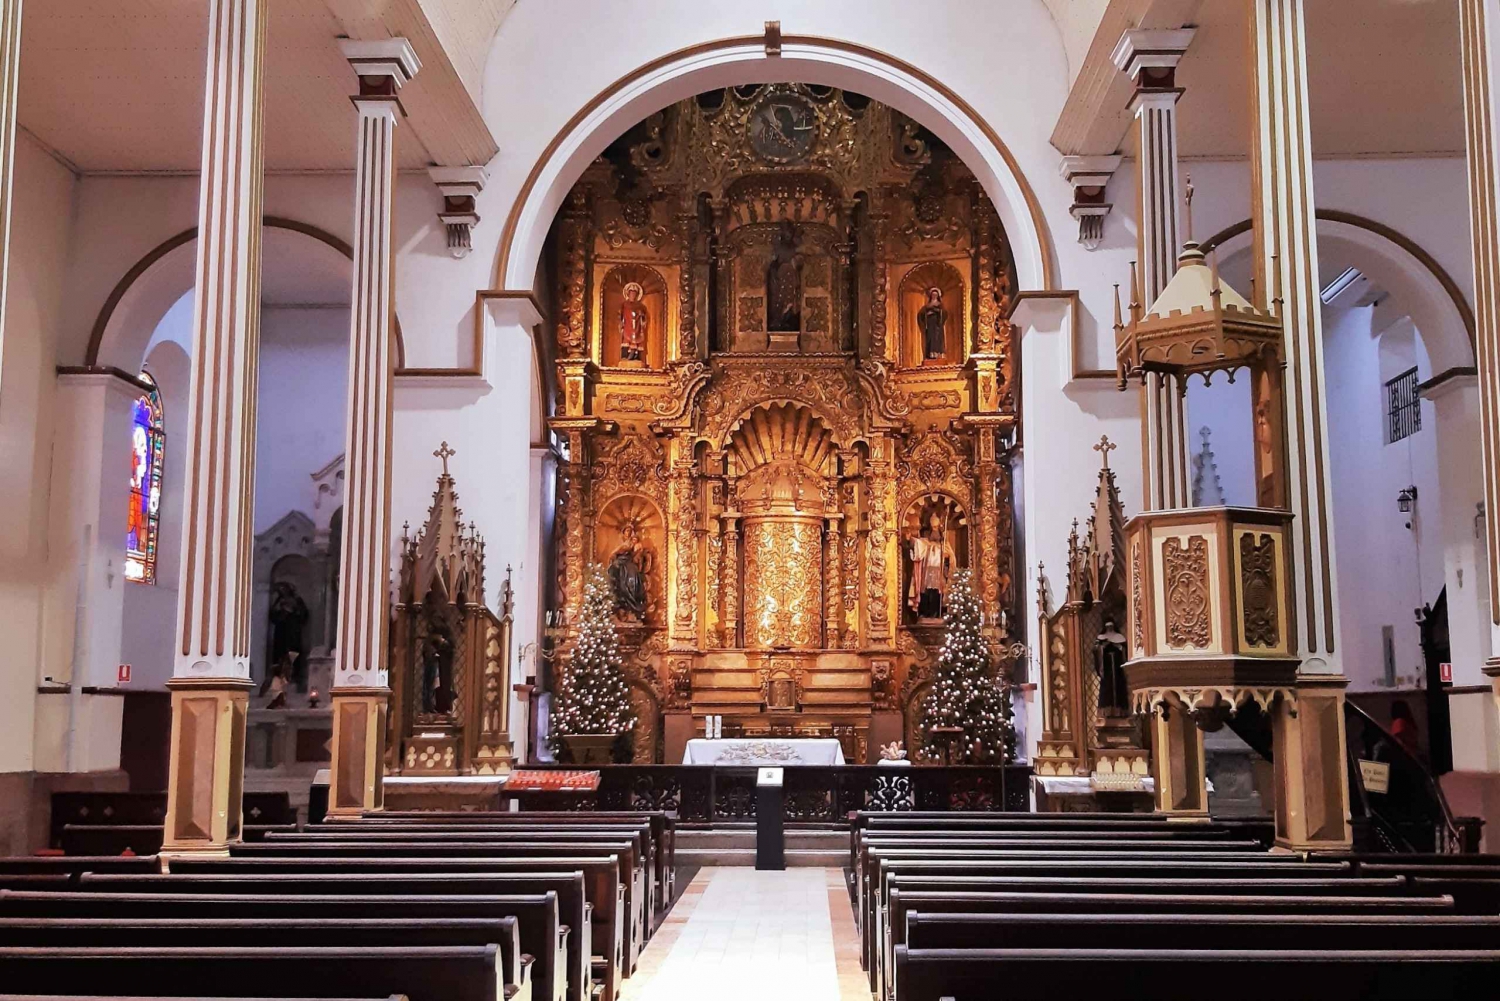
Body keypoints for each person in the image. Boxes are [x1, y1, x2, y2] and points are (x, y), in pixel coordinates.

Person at [907, 513, 955, 621]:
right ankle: (925, 613)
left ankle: (937, 613)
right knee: (926, 592)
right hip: (927, 571)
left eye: (936, 528)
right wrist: (910, 539)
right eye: (933, 528)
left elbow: (951, 556)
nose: (934, 531)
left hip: (939, 571)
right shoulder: (925, 542)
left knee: (937, 593)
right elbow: (917, 545)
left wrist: (947, 556)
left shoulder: (944, 543)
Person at [619, 281, 649, 362]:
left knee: (637, 340)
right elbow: (620, 315)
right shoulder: (624, 304)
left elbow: (644, 317)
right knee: (626, 340)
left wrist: (641, 316)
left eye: (634, 293)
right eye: (631, 293)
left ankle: (636, 357)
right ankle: (625, 357)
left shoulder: (641, 306)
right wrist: (621, 322)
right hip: (627, 326)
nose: (633, 295)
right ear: (628, 294)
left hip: (637, 327)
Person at [918, 286, 947, 361]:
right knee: (930, 339)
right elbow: (921, 314)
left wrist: (937, 311)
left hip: (937, 325)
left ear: (938, 296)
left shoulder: (940, 304)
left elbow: (944, 313)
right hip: (930, 325)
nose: (934, 296)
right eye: (933, 295)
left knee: (937, 339)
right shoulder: (927, 306)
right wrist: (926, 314)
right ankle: (930, 355)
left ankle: (938, 354)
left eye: (935, 295)